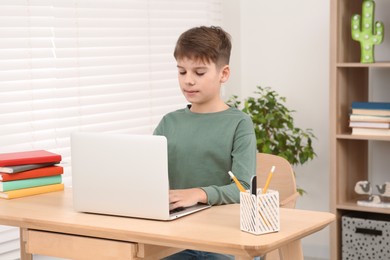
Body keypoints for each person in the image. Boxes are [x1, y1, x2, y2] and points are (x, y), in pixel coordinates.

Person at [154, 25, 257, 260]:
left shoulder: (239, 124)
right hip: (174, 235)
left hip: (224, 238)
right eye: (182, 72)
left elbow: (244, 189)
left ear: (224, 74)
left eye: (199, 73)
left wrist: (200, 193)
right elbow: (150, 177)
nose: (188, 81)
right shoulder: (169, 123)